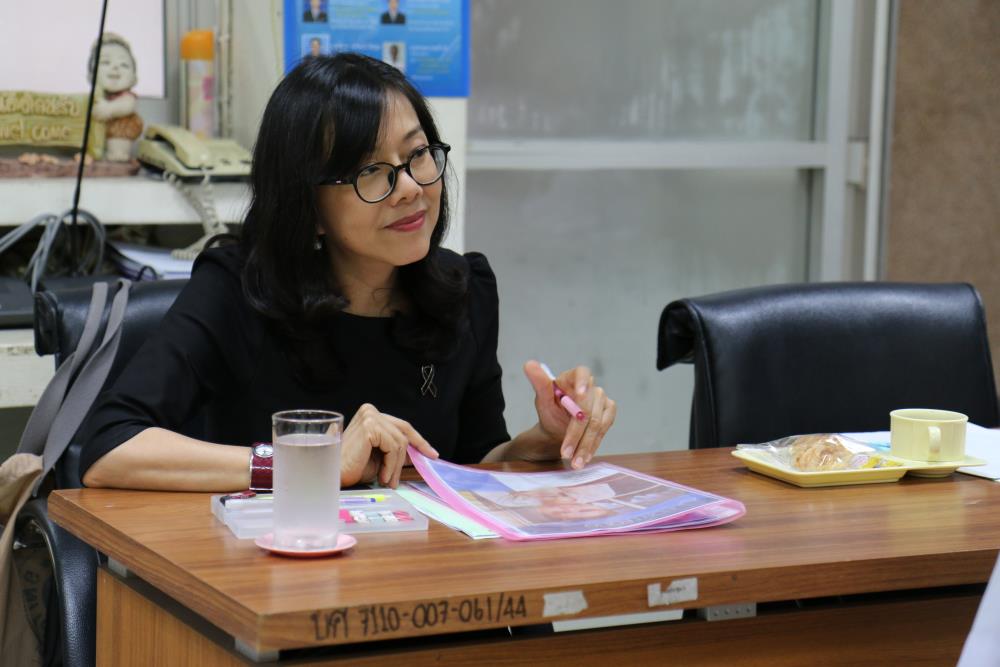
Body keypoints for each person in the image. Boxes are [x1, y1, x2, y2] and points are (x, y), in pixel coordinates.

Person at [79, 53, 617, 492]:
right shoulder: (239, 290)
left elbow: (472, 461)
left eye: (418, 154)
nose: (411, 187)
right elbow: (109, 446)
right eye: (371, 171)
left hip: (422, 570)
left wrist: (541, 442)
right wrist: (309, 463)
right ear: (308, 206)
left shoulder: (462, 290)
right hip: (275, 566)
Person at [88, 33, 143, 162]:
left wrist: (109, 109)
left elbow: (128, 105)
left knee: (120, 131)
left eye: (124, 64)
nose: (115, 67)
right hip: (98, 133)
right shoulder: (95, 96)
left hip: (119, 130)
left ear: (134, 78)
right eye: (105, 62)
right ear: (90, 75)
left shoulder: (127, 96)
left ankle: (118, 153)